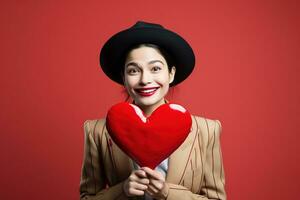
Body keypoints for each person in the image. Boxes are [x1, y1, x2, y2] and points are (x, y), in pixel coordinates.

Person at [79, 21, 226, 200]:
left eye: (155, 68)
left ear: (171, 74)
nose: (145, 80)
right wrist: (122, 190)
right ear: (123, 77)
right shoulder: (96, 132)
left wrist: (167, 193)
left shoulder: (207, 131)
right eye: (133, 71)